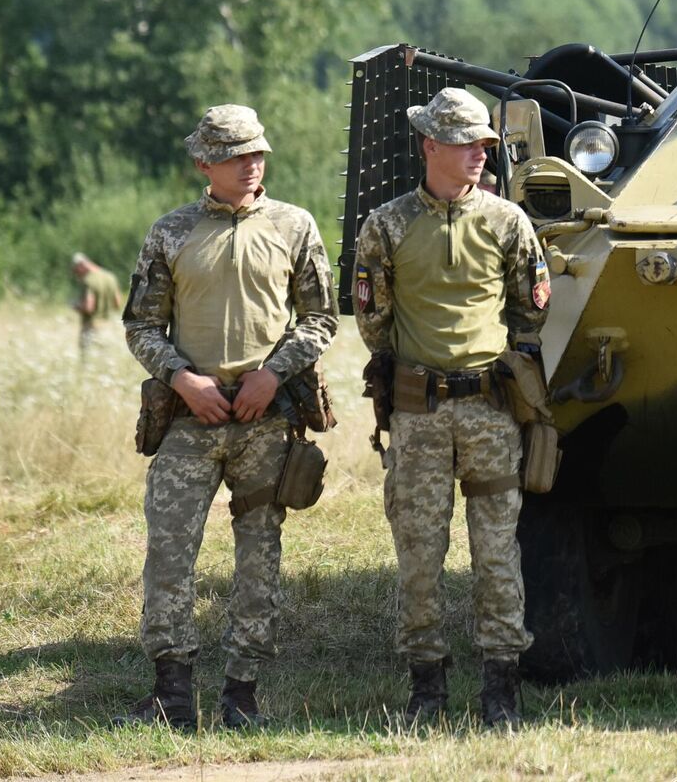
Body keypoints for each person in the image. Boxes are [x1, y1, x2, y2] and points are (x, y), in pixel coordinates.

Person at [118, 105, 338, 730]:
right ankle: (172, 694)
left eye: (259, 153)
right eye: (238, 155)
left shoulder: (295, 226)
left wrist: (274, 374)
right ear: (203, 163)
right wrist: (183, 379)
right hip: (191, 419)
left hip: (266, 419)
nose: (252, 165)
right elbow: (140, 324)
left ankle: (242, 695)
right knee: (167, 552)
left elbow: (321, 317)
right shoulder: (171, 232)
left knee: (259, 555)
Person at [353, 87, 549, 728]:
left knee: (497, 553)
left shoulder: (506, 221)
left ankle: (501, 689)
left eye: (485, 145)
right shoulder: (385, 226)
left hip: (492, 412)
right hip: (419, 415)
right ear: (430, 145)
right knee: (419, 553)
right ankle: (426, 687)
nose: (480, 155)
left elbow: (530, 307)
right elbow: (373, 323)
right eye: (467, 144)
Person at [71, 253, 125, 357]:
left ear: (81, 266)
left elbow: (89, 307)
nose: (77, 275)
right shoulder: (110, 277)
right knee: (106, 357)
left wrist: (76, 306)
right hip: (109, 325)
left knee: (87, 358)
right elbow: (118, 303)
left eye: (76, 271)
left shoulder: (89, 280)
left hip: (92, 326)